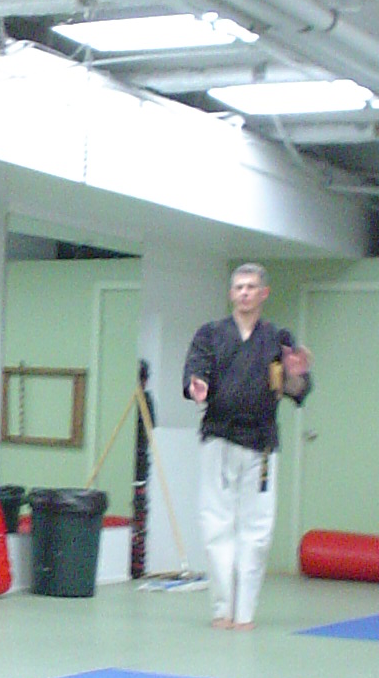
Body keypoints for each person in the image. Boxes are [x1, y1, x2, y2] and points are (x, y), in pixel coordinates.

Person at [183, 262, 312, 630]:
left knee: (256, 531)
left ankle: (245, 613)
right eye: (238, 286)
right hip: (218, 437)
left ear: (263, 293)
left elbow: (295, 390)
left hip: (261, 442)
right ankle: (222, 609)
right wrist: (197, 386)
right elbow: (195, 372)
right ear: (231, 293)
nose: (244, 292)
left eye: (251, 286)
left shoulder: (278, 338)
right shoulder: (210, 334)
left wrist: (296, 375)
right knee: (215, 524)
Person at [131, 359, 156, 579]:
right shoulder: (139, 400)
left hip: (139, 468)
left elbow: (150, 430)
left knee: (138, 515)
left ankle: (137, 565)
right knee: (138, 515)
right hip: (136, 468)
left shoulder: (145, 401)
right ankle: (135, 566)